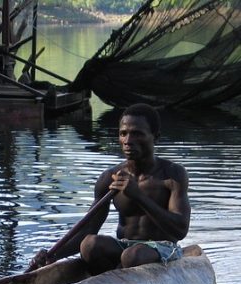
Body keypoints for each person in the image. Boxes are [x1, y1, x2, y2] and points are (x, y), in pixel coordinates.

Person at [29, 103, 191, 274]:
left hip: (163, 249)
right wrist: (53, 255)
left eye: (137, 134)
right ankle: (112, 279)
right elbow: (88, 229)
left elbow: (180, 230)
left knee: (132, 256)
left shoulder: (172, 175)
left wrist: (138, 196)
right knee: (90, 245)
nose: (128, 141)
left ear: (155, 137)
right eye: (123, 134)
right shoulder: (110, 177)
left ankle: (120, 273)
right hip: (125, 248)